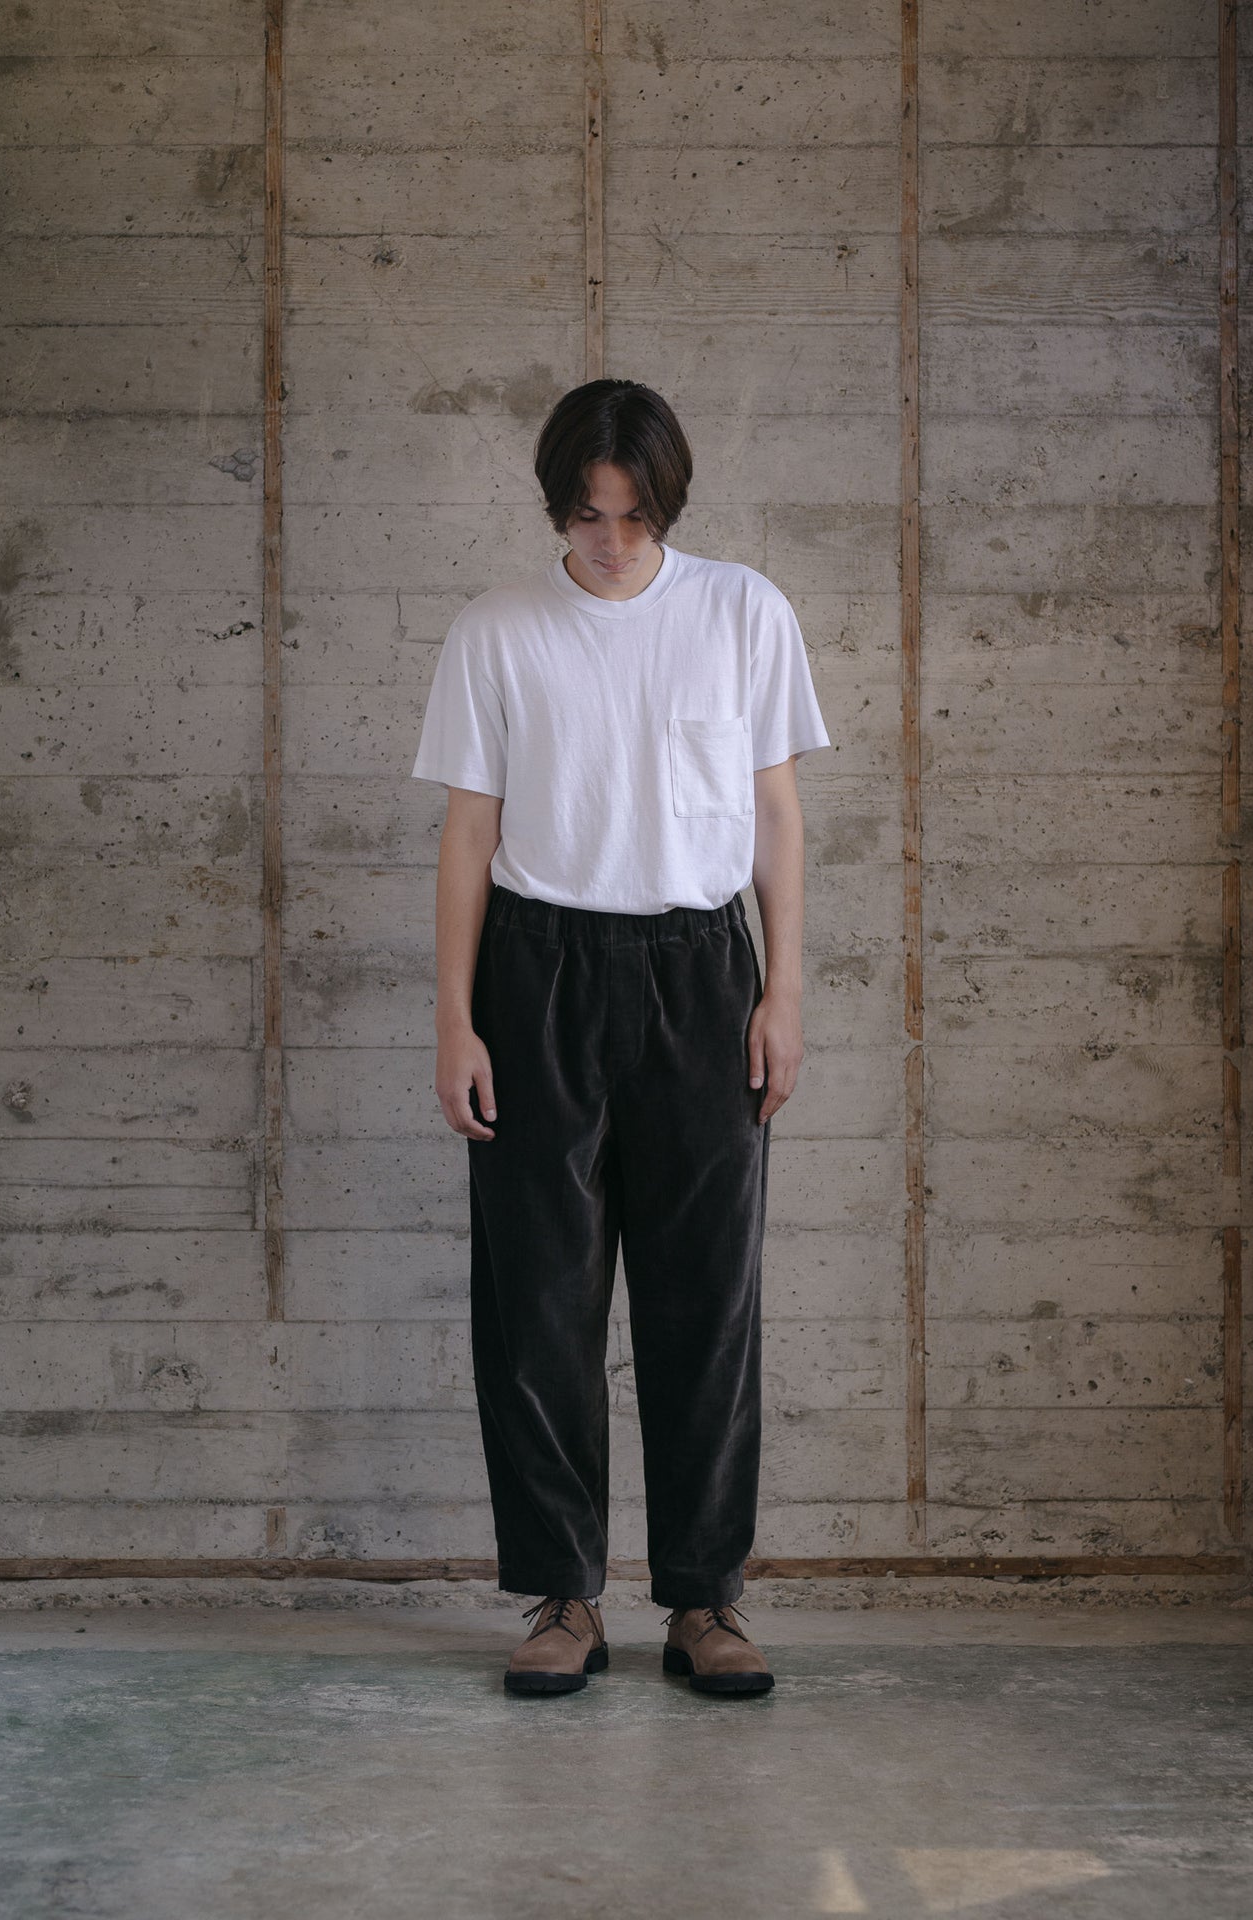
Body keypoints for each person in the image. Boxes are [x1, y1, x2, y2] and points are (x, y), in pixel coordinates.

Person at [409, 379, 831, 1697]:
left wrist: (784, 995)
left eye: (635, 516)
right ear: (556, 507)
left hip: (701, 974)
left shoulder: (743, 612)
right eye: (587, 515)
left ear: (668, 506)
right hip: (537, 973)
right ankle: (563, 1595)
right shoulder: (496, 630)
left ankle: (705, 1598)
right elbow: (468, 836)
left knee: (708, 1300)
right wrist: (454, 1019)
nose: (610, 540)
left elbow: (776, 817)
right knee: (536, 1304)